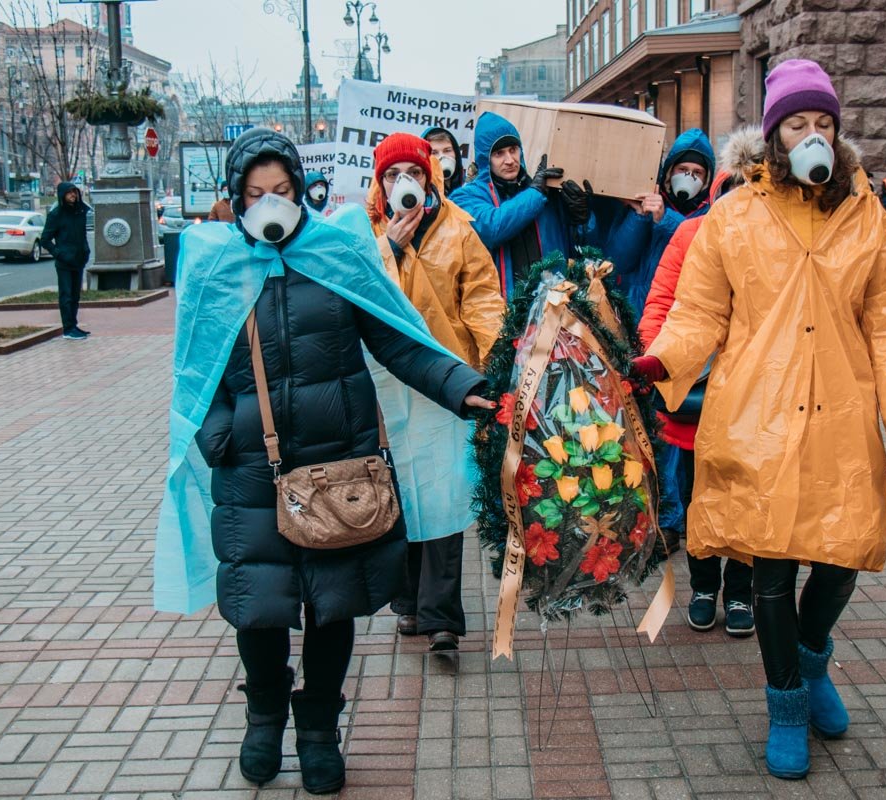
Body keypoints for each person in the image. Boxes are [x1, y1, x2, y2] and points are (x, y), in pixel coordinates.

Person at [153, 127, 493, 794]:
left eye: (280, 190)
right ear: (235, 199)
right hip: (253, 477)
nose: (269, 204)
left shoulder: (338, 253)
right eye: (255, 194)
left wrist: (464, 386)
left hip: (342, 471)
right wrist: (218, 433)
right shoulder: (216, 269)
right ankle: (264, 717)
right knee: (261, 609)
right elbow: (196, 372)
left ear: (300, 191)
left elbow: (401, 343)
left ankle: (318, 732)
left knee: (331, 609)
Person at [634, 60, 886, 780]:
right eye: (800, 125)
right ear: (774, 137)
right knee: (771, 564)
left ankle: (813, 664)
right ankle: (785, 704)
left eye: (825, 125)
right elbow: (702, 309)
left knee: (842, 557)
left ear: (838, 136)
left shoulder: (867, 215)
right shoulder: (734, 215)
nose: (815, 136)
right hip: (757, 417)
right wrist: (664, 361)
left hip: (840, 415)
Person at [365, 132, 505, 651]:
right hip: (388, 386)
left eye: (416, 174)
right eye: (393, 176)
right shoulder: (365, 234)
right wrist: (388, 248)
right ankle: (408, 601)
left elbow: (484, 301)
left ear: (431, 178)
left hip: (449, 382)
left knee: (444, 493)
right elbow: (353, 293)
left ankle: (441, 615)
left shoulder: (459, 231)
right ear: (380, 183)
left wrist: (491, 366)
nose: (406, 184)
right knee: (402, 493)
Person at [637, 127, 764, 639]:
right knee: (695, 497)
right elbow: (661, 302)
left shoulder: (778, 240)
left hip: (758, 396)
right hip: (697, 395)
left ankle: (739, 590)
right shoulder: (691, 233)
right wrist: (658, 360)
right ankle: (705, 585)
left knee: (749, 497)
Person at [449, 111, 594, 298]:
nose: (509, 160)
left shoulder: (546, 192)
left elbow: (581, 246)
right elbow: (492, 228)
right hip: (502, 313)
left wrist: (582, 218)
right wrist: (536, 193)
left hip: (555, 307)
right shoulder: (465, 196)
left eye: (513, 149)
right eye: (499, 153)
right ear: (486, 160)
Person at [602, 128, 716, 318]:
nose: (689, 177)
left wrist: (665, 219)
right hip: (638, 310)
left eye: (697, 172)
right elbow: (618, 262)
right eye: (683, 170)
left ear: (706, 179)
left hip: (682, 315)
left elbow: (703, 248)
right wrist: (639, 217)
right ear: (670, 171)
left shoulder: (712, 213)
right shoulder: (650, 200)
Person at [39, 181, 91, 340]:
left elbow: (82, 235)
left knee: (75, 295)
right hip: (64, 262)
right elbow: (45, 240)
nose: (73, 195)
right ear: (62, 195)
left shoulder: (80, 211)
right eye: (69, 193)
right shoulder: (56, 215)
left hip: (79, 259)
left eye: (74, 192)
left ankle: (73, 325)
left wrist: (85, 250)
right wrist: (59, 253)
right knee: (66, 295)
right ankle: (68, 329)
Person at [423, 125, 465, 195]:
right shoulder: (421, 196)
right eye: (434, 153)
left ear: (456, 154)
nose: (442, 157)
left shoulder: (467, 190)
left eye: (447, 150)